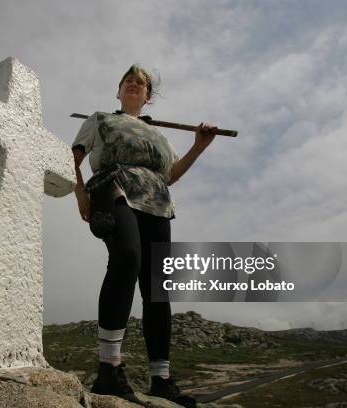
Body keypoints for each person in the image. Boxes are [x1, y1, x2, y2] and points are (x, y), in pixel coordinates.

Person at [71, 64, 218, 408]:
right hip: (113, 187)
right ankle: (108, 370)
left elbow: (170, 174)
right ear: (119, 91)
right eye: (128, 81)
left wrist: (199, 146)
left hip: (156, 202)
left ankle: (161, 380)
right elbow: (73, 157)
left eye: (141, 83)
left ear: (148, 97)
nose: (134, 85)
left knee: (156, 287)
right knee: (126, 257)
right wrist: (80, 194)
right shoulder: (101, 120)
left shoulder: (159, 136)